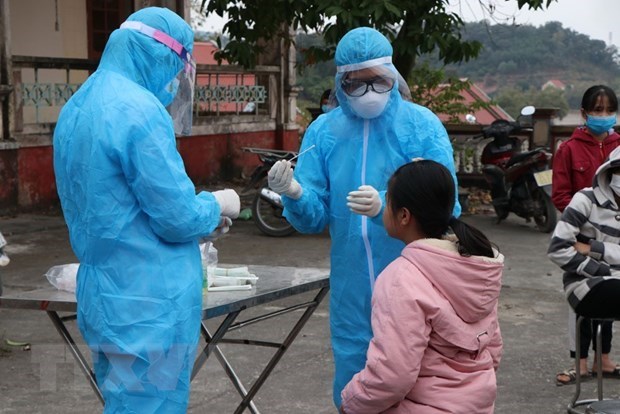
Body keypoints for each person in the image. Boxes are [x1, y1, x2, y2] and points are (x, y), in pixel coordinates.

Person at [53, 7, 240, 413]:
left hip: (106, 295)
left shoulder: (76, 108)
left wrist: (204, 223)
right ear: (159, 56)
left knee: (124, 401)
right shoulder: (138, 110)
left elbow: (116, 207)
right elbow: (177, 217)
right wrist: (217, 203)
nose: (175, 82)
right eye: (177, 66)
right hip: (149, 302)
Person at [267, 27, 461, 407]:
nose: (369, 90)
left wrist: (386, 207)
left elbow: (445, 206)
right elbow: (314, 217)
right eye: (357, 82)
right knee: (355, 384)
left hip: (417, 280)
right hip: (352, 287)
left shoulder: (421, 125)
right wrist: (293, 193)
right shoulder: (324, 131)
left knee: (419, 383)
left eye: (378, 80)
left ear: (393, 75)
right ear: (341, 81)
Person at [340, 160, 503, 414]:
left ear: (404, 216)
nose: (383, 210)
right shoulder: (476, 264)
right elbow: (492, 349)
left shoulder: (401, 279)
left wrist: (350, 402)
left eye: (388, 202)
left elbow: (391, 376)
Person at [551, 85, 620, 385]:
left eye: (608, 110)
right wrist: (583, 216)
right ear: (584, 113)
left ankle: (602, 359)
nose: (603, 116)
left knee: (611, 293)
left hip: (612, 234)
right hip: (578, 232)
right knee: (580, 297)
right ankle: (578, 362)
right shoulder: (568, 149)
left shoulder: (619, 145)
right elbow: (560, 194)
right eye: (597, 110)